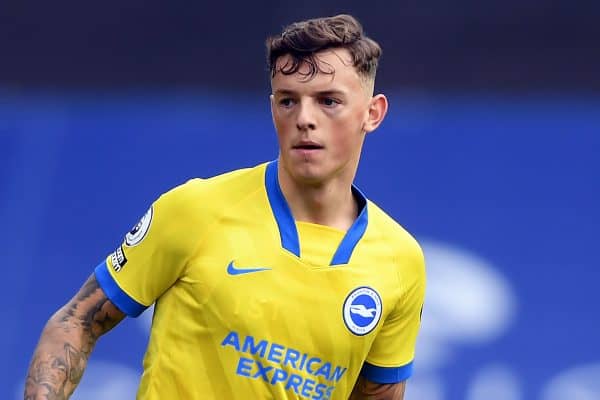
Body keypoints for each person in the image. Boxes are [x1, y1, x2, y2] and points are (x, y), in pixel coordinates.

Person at [24, 14, 426, 400]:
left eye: (328, 101)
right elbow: (76, 322)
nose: (305, 118)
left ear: (372, 113)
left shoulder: (400, 262)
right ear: (273, 109)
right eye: (288, 101)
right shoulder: (195, 210)